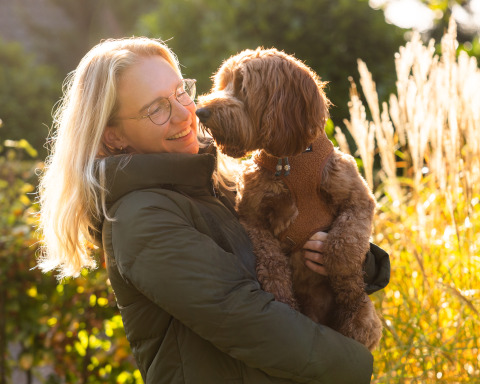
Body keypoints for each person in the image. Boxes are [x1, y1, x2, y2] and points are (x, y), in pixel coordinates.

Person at [37, 37, 389, 384]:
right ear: (113, 135)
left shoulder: (220, 184)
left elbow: (301, 256)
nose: (186, 114)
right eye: (156, 108)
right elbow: (246, 318)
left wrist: (354, 259)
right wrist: (358, 365)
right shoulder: (140, 218)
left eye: (180, 92)